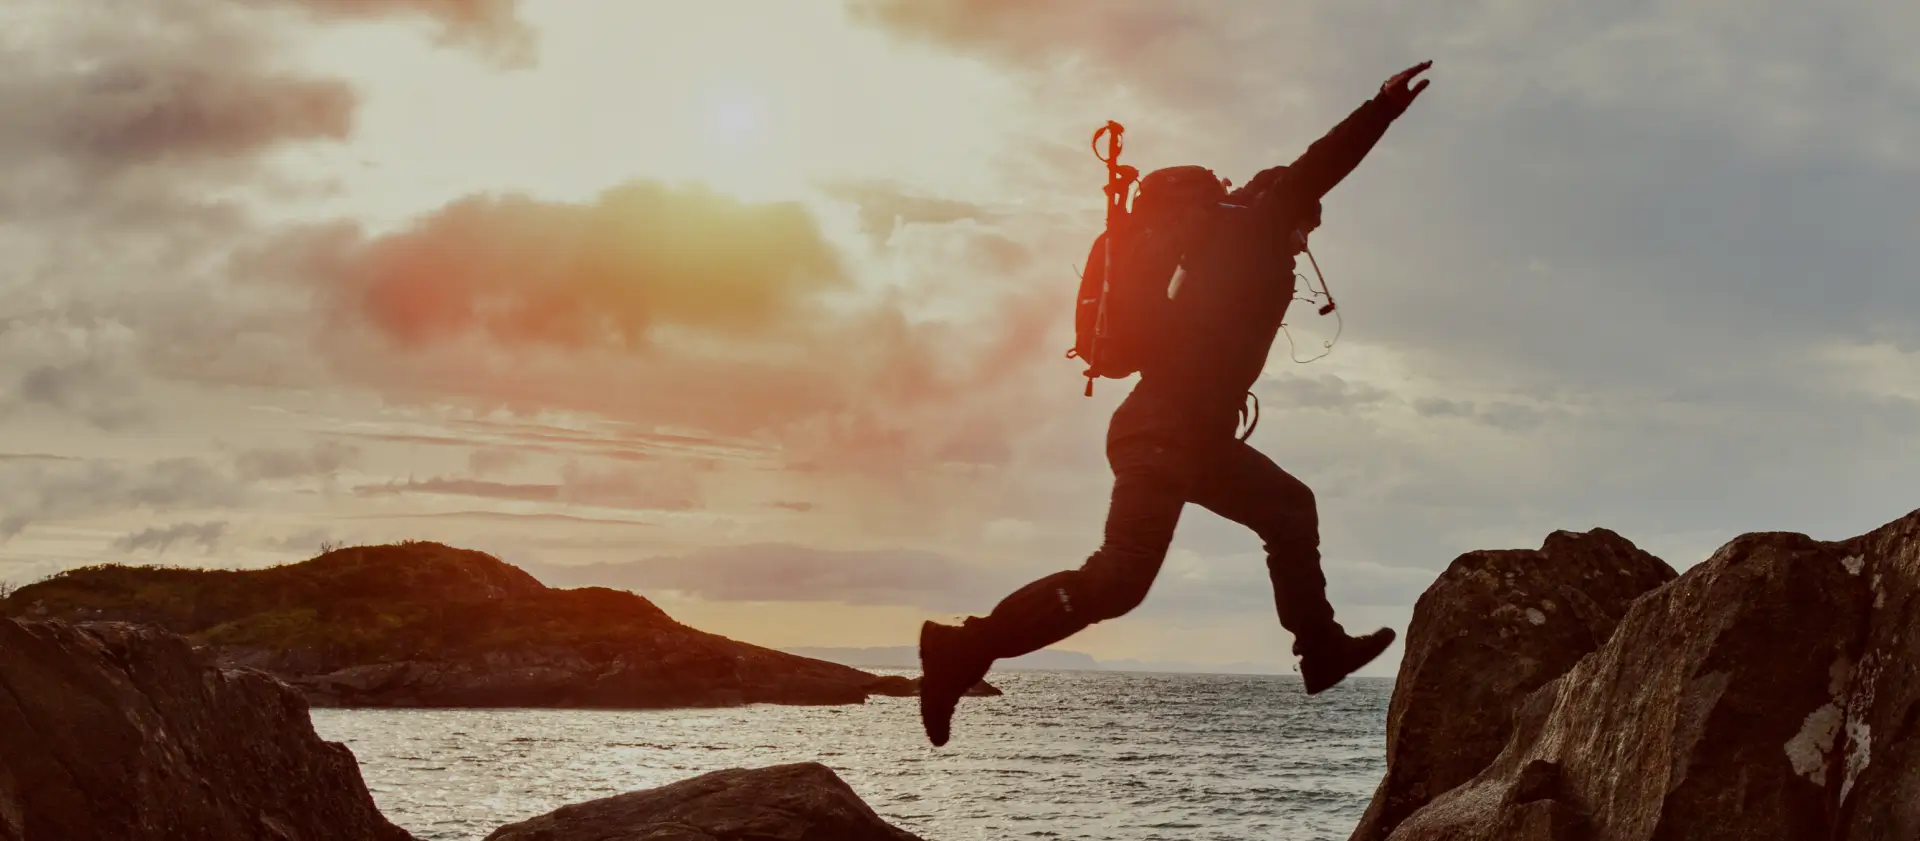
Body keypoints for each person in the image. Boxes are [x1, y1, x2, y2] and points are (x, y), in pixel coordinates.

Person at [916, 61, 1435, 748]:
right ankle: (962, 648)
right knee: (1120, 577)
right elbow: (1319, 164)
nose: (1307, 238)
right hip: (1163, 433)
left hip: (1192, 438)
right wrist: (1382, 108)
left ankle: (1321, 650)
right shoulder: (1256, 221)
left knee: (1288, 506)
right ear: (1288, 206)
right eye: (1307, 223)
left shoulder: (1226, 241)